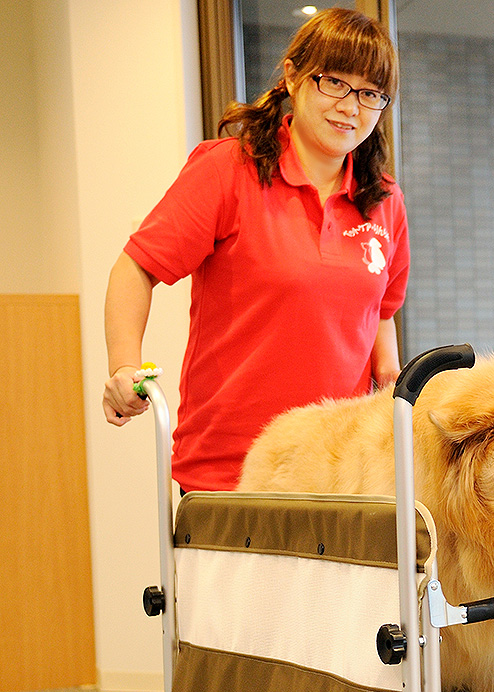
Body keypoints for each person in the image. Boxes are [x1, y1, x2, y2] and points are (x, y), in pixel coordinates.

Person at [103, 8, 409, 493]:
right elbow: (136, 267)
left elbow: (381, 312)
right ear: (292, 76)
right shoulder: (229, 170)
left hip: (339, 471)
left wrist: (397, 387)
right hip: (230, 470)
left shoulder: (383, 198)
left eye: (371, 93)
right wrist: (124, 367)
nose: (351, 106)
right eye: (334, 82)